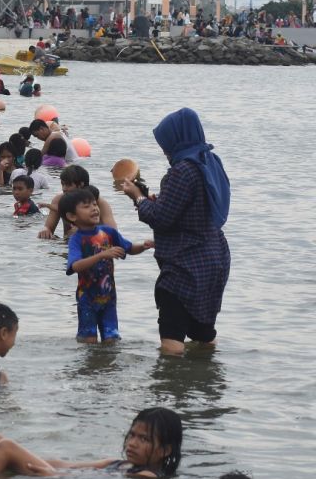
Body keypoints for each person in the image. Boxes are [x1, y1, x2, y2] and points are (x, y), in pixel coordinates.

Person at [123, 108, 231, 357]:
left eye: (165, 143)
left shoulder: (182, 170)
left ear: (177, 138)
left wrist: (137, 198)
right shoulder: (210, 162)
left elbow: (161, 219)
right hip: (214, 260)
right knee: (204, 334)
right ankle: (207, 381)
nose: (164, 149)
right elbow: (193, 207)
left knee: (171, 339)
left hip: (187, 265)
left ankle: (172, 389)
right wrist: (157, 200)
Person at [0, 407, 183, 479]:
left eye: (143, 439)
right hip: (56, 476)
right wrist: (38, 461)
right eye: (132, 435)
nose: (133, 443)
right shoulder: (120, 463)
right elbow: (69, 465)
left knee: (5, 447)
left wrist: (51, 477)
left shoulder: (147, 476)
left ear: (165, 450)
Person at [62, 189, 153, 343]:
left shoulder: (108, 233)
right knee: (88, 340)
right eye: (86, 206)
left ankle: (108, 366)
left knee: (112, 339)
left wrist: (144, 246)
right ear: (72, 216)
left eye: (95, 204)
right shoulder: (76, 239)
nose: (94, 208)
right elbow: (75, 266)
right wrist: (102, 255)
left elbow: (129, 249)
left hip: (109, 298)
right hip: (87, 299)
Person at [38, 165, 116, 239]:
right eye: (62, 184)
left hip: (95, 244)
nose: (64, 189)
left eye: (68, 185)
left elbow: (113, 233)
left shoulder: (99, 203)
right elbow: (49, 227)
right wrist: (45, 230)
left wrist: (84, 231)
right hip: (67, 244)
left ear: (81, 185)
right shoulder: (59, 200)